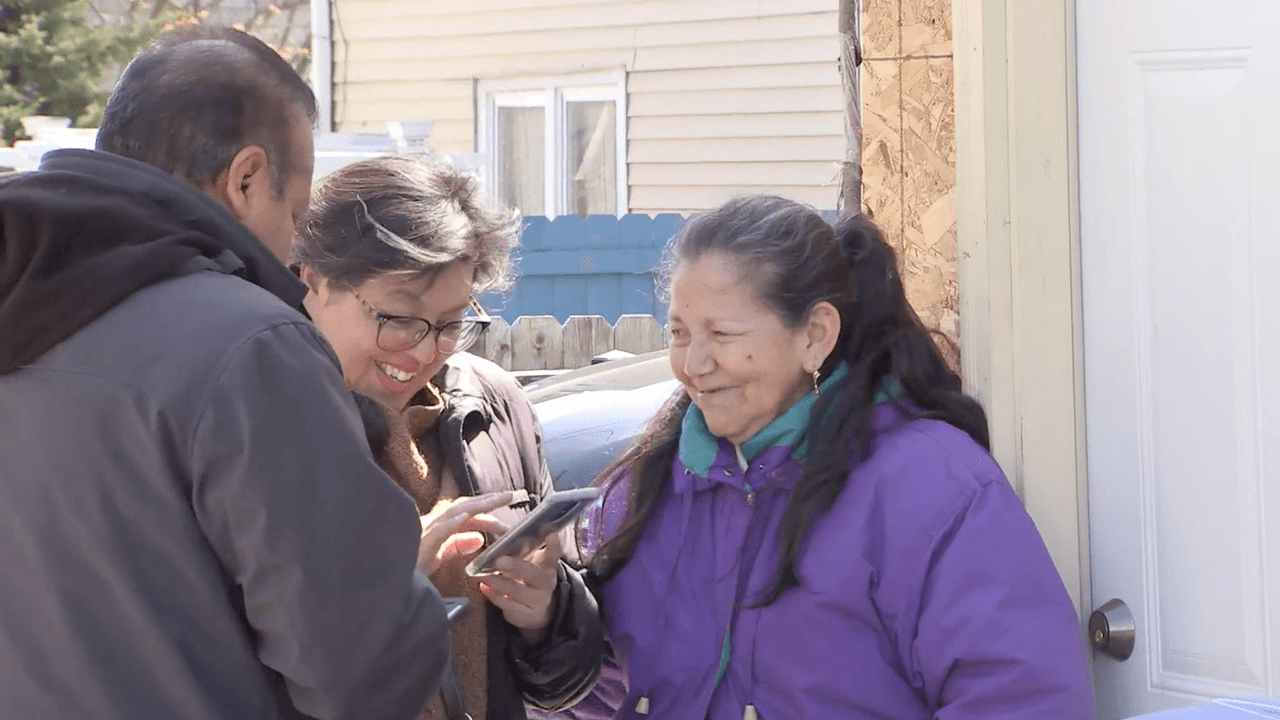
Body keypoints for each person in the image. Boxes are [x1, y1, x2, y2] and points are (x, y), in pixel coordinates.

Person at [0, 27, 484, 720]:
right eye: (295, 213)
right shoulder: (250, 344)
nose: (292, 246)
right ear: (248, 176)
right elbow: (357, 670)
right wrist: (397, 584)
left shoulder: (24, 303)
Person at [559, 195, 1095, 719]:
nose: (692, 363)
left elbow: (1024, 696)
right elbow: (606, 694)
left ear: (815, 336)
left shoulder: (930, 485)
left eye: (721, 334)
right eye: (678, 332)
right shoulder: (650, 485)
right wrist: (547, 620)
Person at [291, 155, 604, 720]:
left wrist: (543, 613)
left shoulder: (493, 403)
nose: (423, 350)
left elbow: (563, 682)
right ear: (313, 280)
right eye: (398, 317)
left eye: (453, 322)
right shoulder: (260, 421)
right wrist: (388, 581)